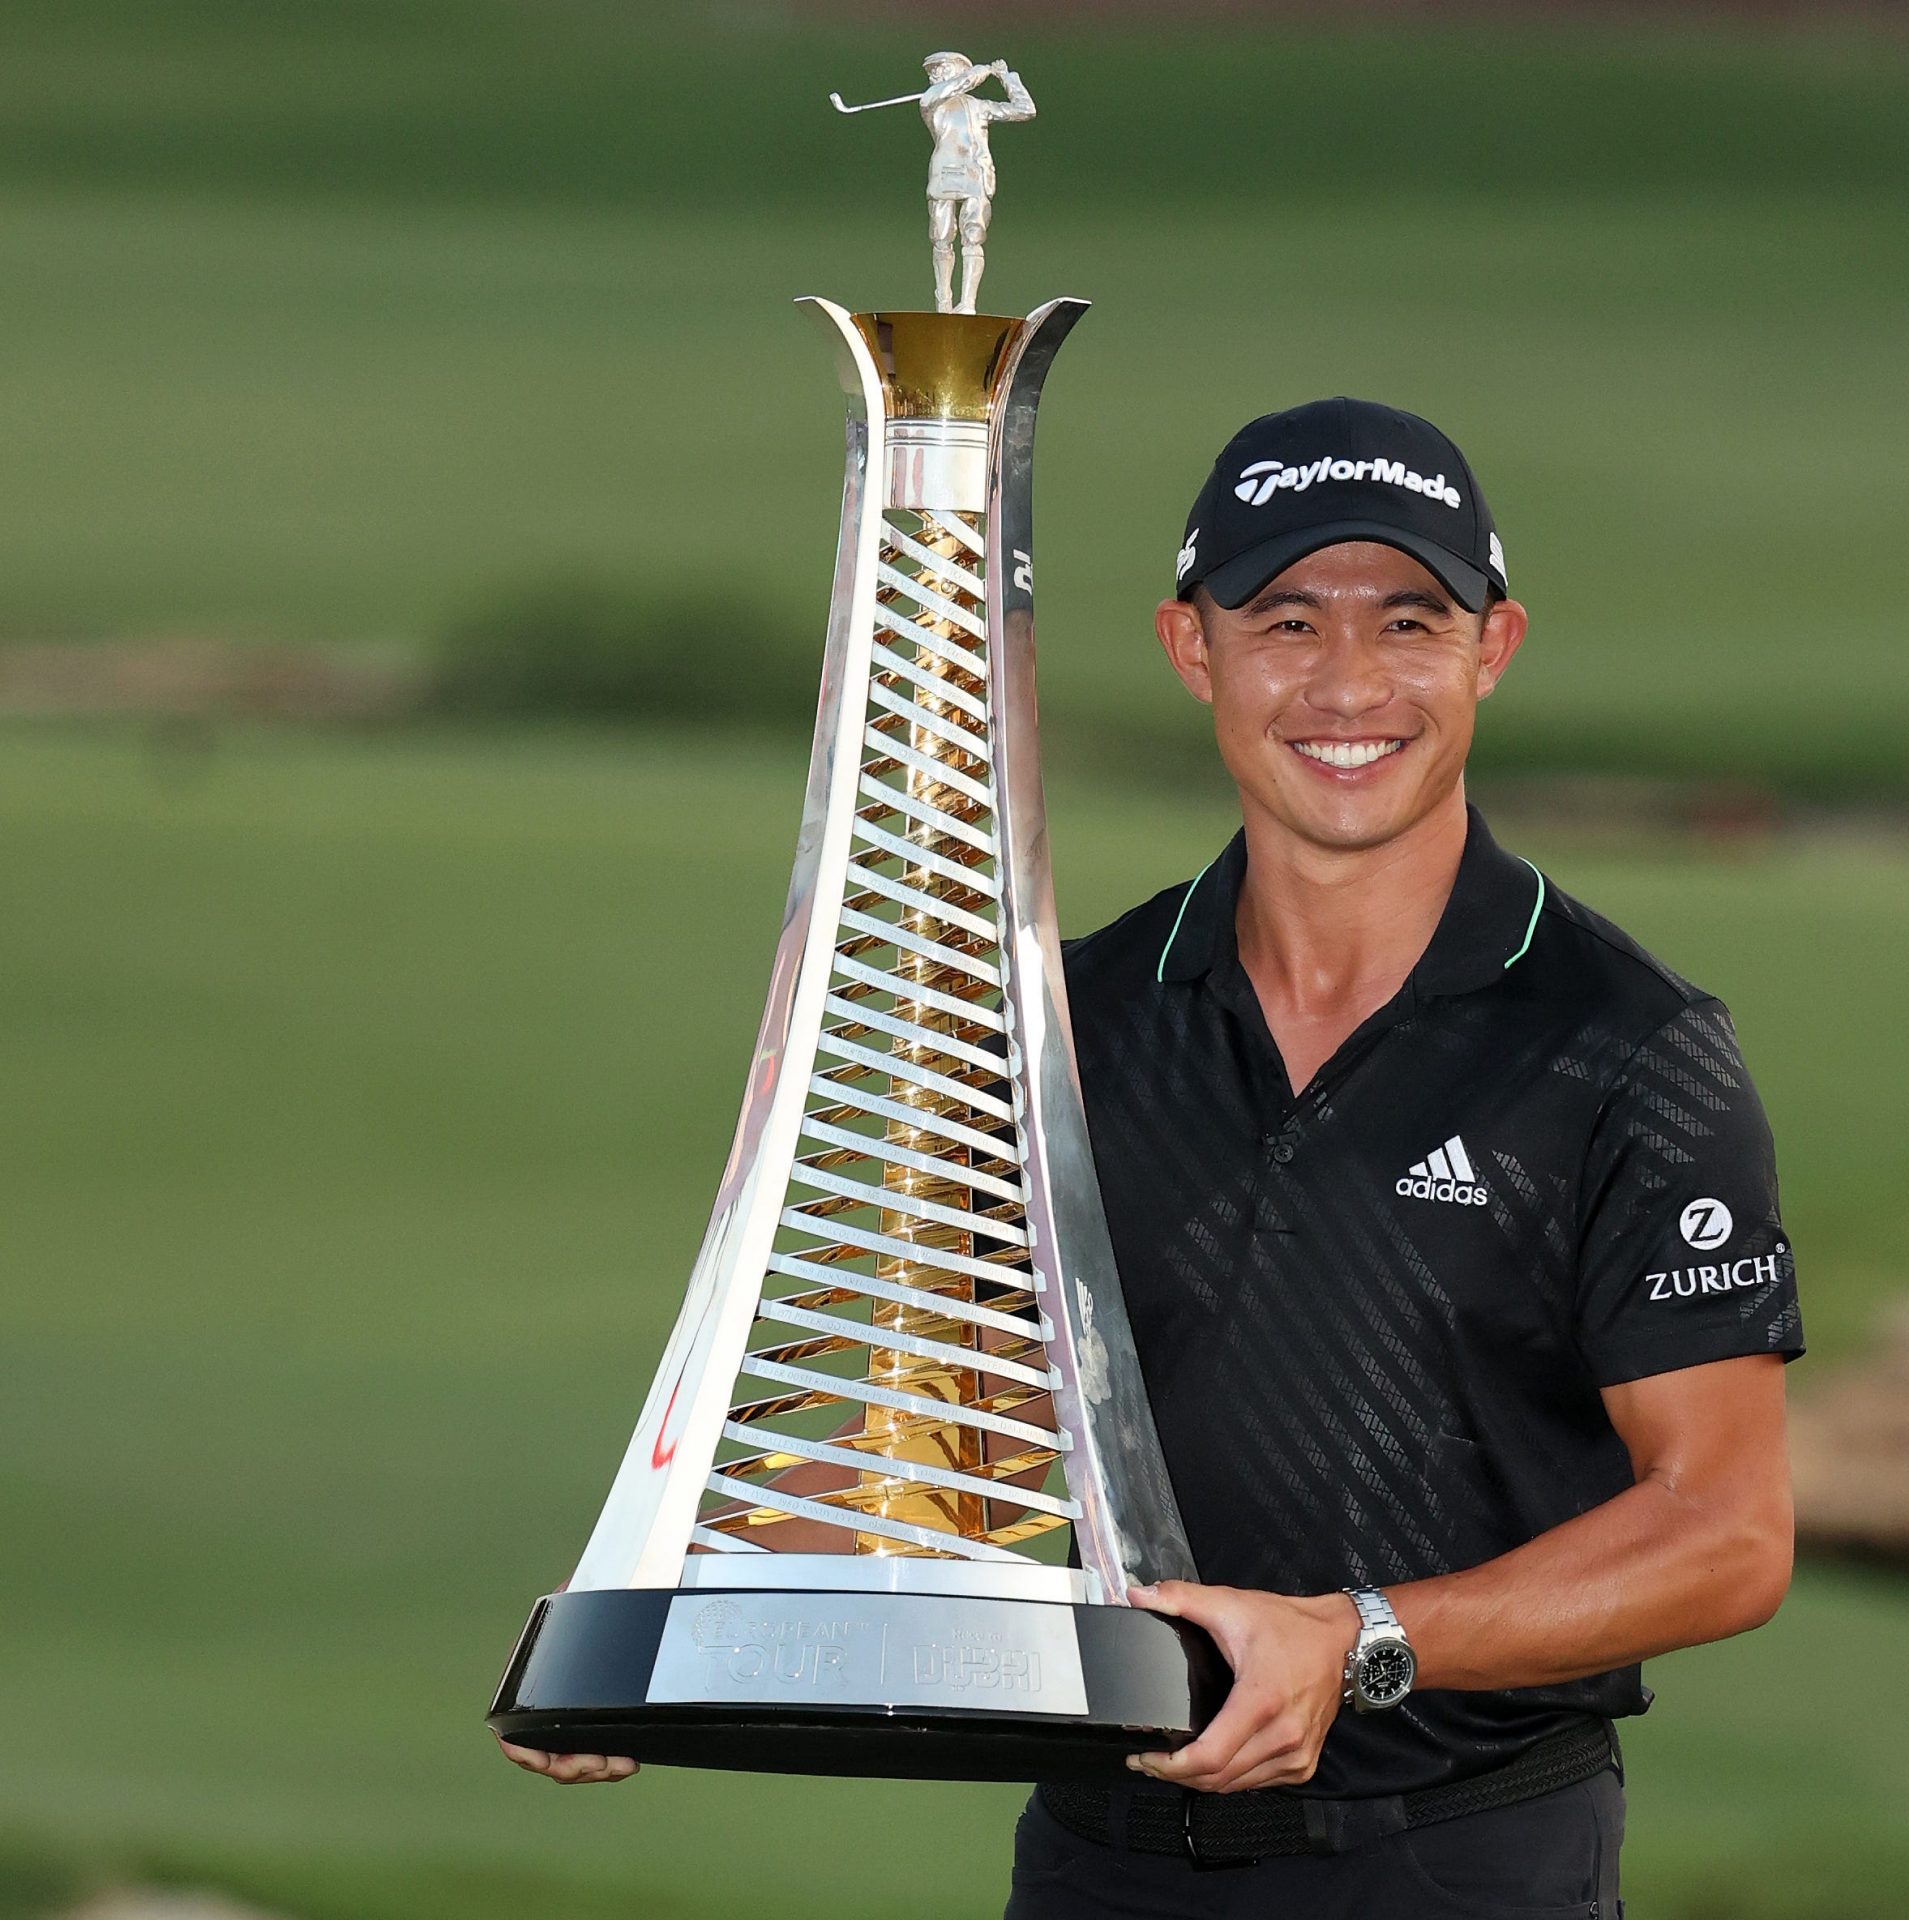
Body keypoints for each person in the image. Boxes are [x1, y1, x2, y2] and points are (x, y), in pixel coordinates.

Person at [503, 397, 1804, 1920]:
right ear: (1195, 651)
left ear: (1492, 648)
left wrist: (1360, 1638)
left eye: (1408, 622)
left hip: (1461, 1865)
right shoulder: (1069, 1028)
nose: (1346, 685)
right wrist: (658, 1621)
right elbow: (957, 1450)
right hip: (1102, 1866)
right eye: (1287, 621)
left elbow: (1725, 1532)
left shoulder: (1624, 1048)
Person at [918, 50, 1034, 315]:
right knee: (941, 238)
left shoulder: (980, 107)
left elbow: (1025, 110)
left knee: (973, 237)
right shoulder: (931, 101)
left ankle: (967, 303)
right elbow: (958, 85)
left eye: (940, 69)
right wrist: (978, 73)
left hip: (975, 176)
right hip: (944, 176)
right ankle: (944, 304)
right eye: (931, 72)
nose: (934, 75)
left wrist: (1008, 78)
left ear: (958, 69)